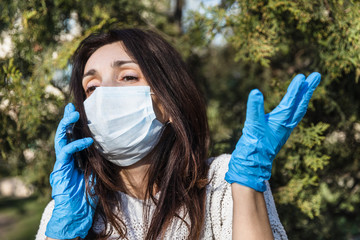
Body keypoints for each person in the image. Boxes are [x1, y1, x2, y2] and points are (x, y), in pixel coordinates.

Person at [35, 28, 320, 240]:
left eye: (128, 77)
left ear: (170, 102)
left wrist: (246, 188)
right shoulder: (66, 210)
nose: (104, 95)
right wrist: (64, 234)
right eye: (92, 87)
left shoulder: (225, 183)